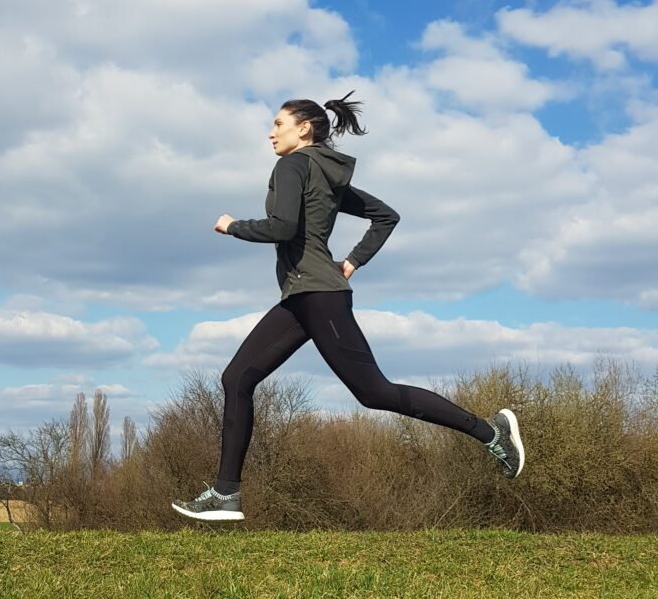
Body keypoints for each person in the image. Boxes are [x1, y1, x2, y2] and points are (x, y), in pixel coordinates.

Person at [171, 91, 525, 522]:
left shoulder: (293, 164)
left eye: (278, 124)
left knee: (375, 392)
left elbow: (283, 227)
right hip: (303, 296)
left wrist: (233, 227)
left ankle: (491, 432)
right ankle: (226, 494)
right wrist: (352, 261)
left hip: (319, 295)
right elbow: (386, 216)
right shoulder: (324, 173)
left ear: (304, 128)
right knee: (237, 377)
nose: (271, 133)